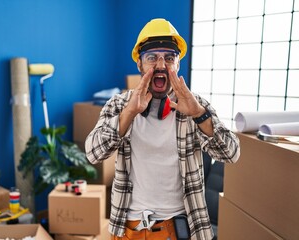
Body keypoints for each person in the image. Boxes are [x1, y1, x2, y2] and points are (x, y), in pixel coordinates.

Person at [85, 18, 240, 240]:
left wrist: (198, 114)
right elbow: (93, 153)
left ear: (177, 65)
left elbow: (232, 153)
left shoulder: (194, 105)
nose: (160, 65)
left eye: (169, 58)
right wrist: (129, 113)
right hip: (128, 229)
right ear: (139, 64)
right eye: (152, 58)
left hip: (178, 229)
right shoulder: (119, 105)